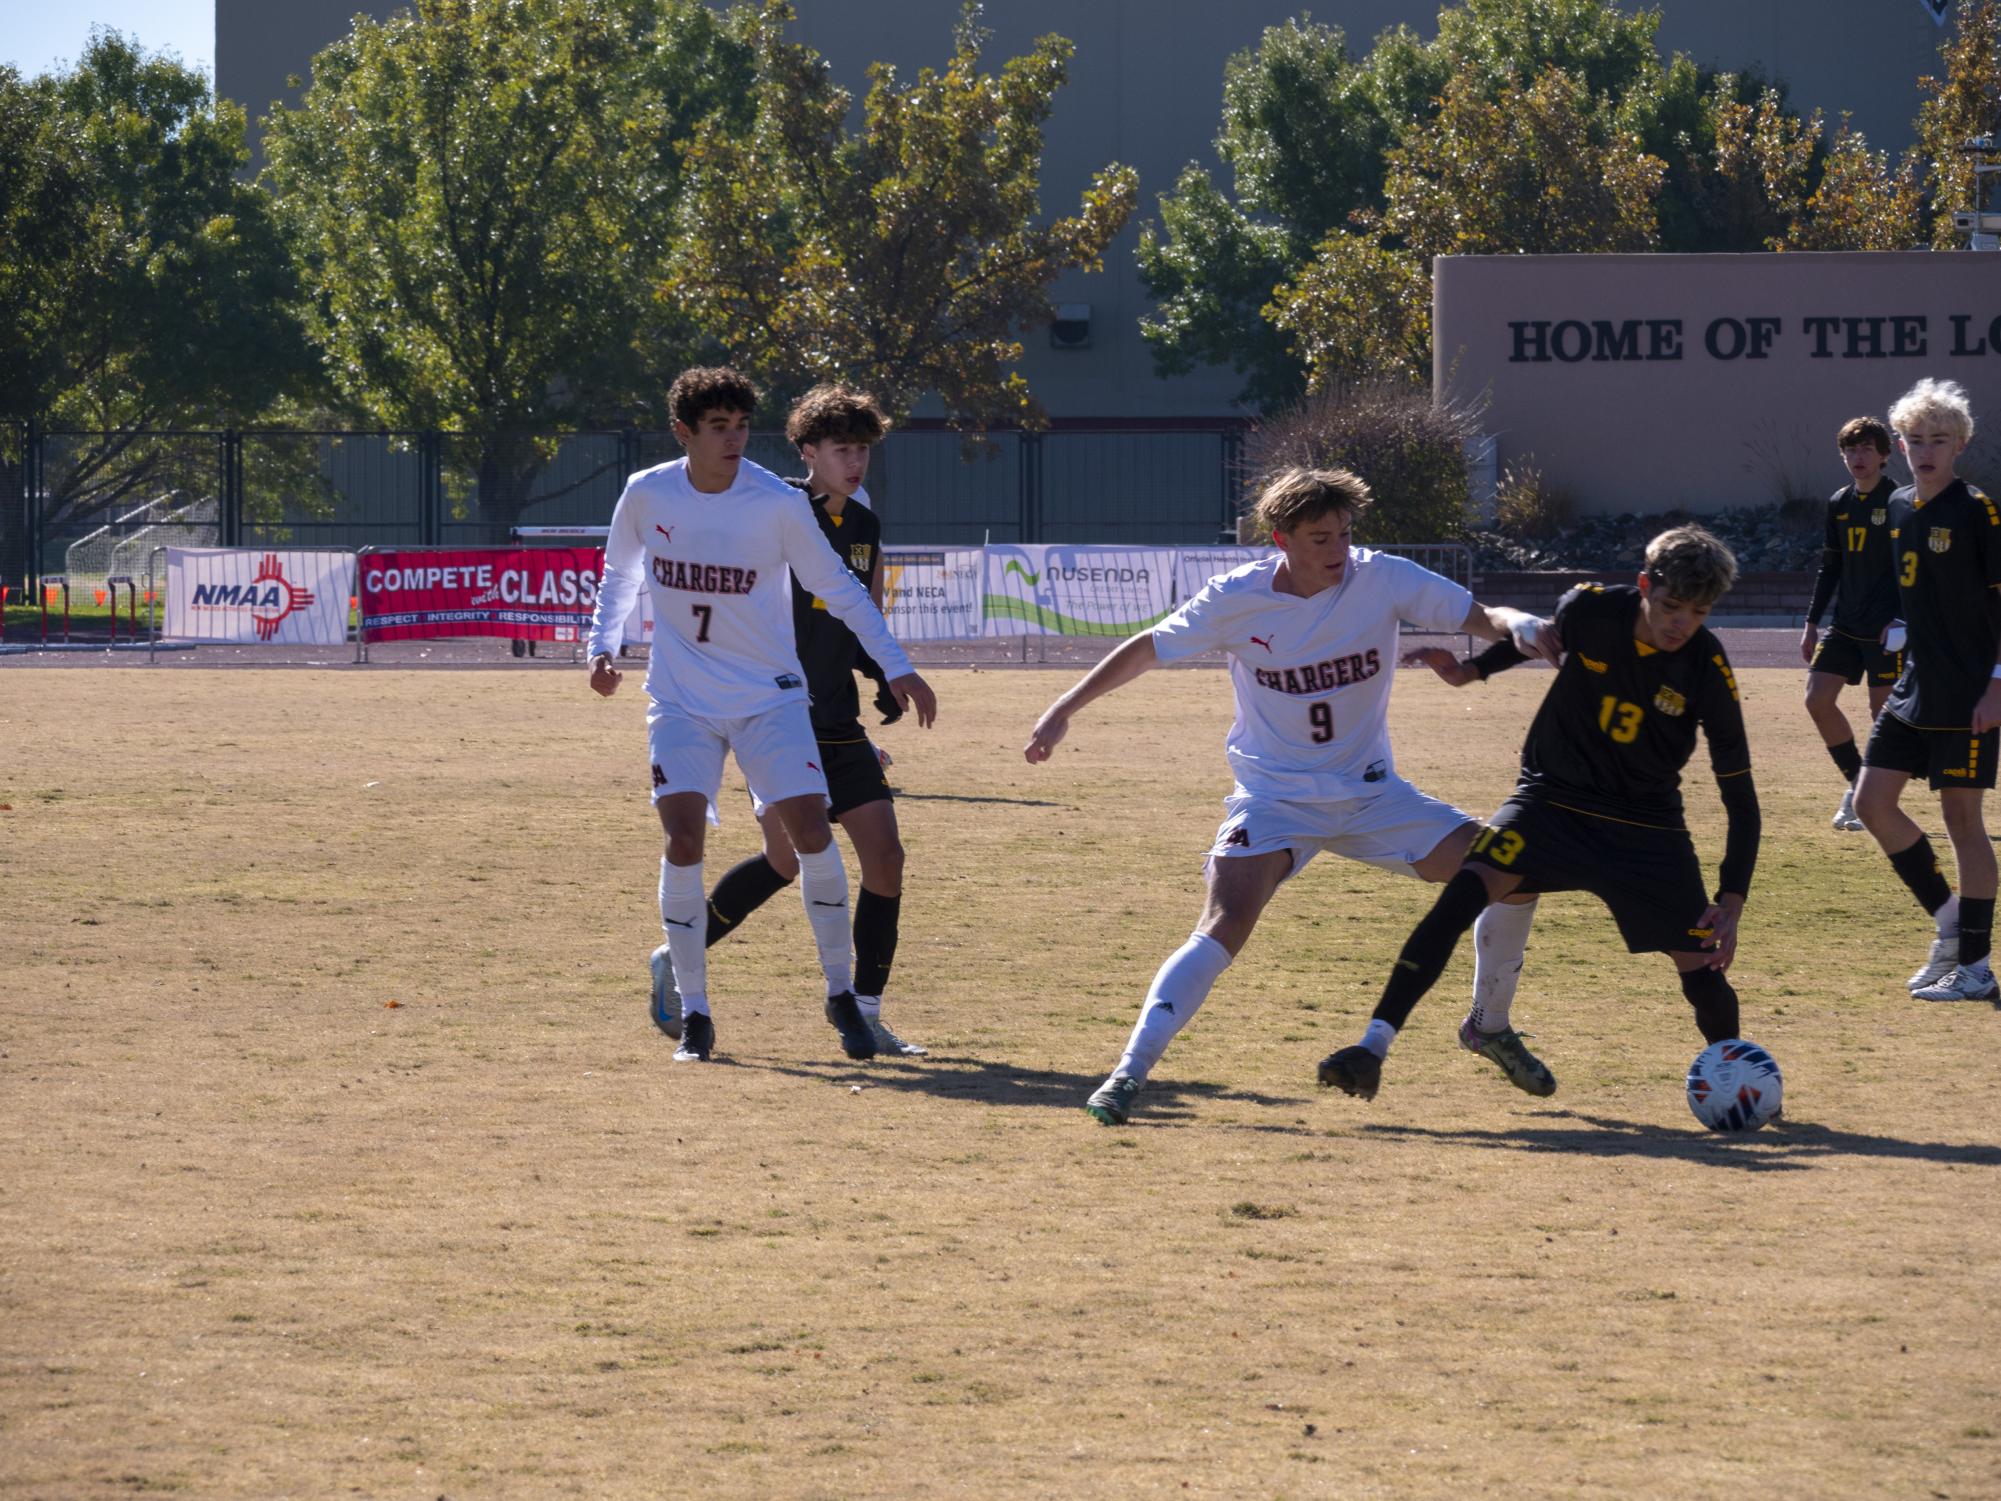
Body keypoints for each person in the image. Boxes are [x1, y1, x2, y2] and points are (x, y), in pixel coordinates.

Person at [1023, 465, 1558, 1126]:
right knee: (1222, 924)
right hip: (1273, 800)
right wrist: (1062, 708)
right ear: (1280, 539)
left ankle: (1489, 1025)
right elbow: (1146, 649)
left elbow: (1480, 615)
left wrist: (1523, 625)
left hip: (1373, 797)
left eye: (1341, 533)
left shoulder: (1382, 576)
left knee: (1515, 869)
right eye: (1316, 538)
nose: (1335, 550)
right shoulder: (1235, 598)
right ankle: (1126, 1074)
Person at [1317, 526, 1760, 1105]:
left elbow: (1741, 794)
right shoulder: (1591, 610)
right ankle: (1372, 1047)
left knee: (1701, 969)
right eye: (1671, 606)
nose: (1681, 624)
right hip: (1549, 803)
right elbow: (1538, 641)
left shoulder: (1707, 667)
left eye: (1698, 613)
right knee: (1461, 895)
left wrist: (1731, 900)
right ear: (1645, 585)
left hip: (1645, 827)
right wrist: (1470, 673)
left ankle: (1737, 1079)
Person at [587, 366, 938, 1063]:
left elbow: (840, 588)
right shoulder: (647, 492)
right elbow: (620, 574)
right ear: (684, 432)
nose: (735, 439)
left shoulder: (777, 503)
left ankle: (847, 998)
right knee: (686, 841)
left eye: (743, 425)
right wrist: (602, 647)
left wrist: (893, 664)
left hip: (774, 700)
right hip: (682, 699)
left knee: (820, 838)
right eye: (719, 427)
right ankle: (695, 1012)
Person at [1853, 378, 2001, 1003]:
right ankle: (1948, 924)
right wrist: (1898, 630)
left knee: (1962, 821)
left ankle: (1976, 965)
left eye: (1939, 440)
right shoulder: (1898, 507)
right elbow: (1920, 594)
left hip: (1970, 693)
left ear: (1961, 445)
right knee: (1870, 803)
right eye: (1915, 439)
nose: (1925, 450)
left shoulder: (1978, 511)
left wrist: (1996, 686)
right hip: (1916, 685)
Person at [1801, 417, 1902, 831]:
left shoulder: (1899, 500)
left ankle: (1871, 797)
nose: (1857, 457)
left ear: (1883, 455)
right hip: (1844, 625)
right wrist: (1810, 622)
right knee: (1817, 699)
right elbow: (1831, 567)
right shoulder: (1839, 502)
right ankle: (1857, 785)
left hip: (1886, 628)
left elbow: (1910, 568)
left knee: (1883, 714)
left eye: (1865, 449)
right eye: (1850, 450)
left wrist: (1903, 618)